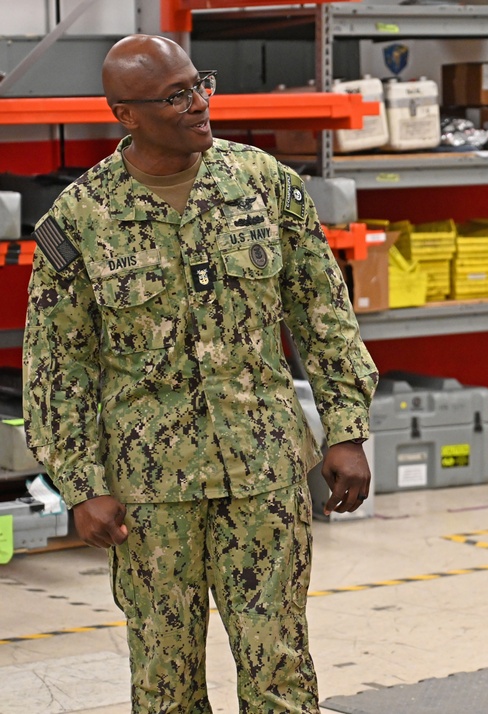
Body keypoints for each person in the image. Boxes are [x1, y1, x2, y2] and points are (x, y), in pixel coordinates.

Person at [22, 35, 378, 712]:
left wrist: (347, 429)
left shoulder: (265, 185)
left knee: (280, 667)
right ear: (125, 114)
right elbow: (55, 367)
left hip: (264, 472)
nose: (199, 103)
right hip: (151, 494)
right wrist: (81, 485)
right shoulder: (78, 220)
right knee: (165, 682)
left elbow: (323, 313)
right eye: (177, 95)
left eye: (198, 84)